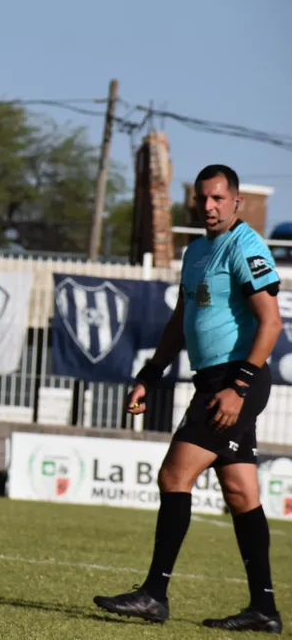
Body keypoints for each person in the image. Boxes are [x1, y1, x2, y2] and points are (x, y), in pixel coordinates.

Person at [94, 164, 283, 634]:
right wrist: (149, 375)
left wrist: (238, 388)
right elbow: (179, 322)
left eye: (219, 198)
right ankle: (264, 609)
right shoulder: (196, 251)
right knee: (241, 494)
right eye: (203, 199)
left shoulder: (246, 247)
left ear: (236, 201)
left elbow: (271, 323)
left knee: (173, 475)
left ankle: (154, 596)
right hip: (212, 381)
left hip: (235, 382)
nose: (211, 206)